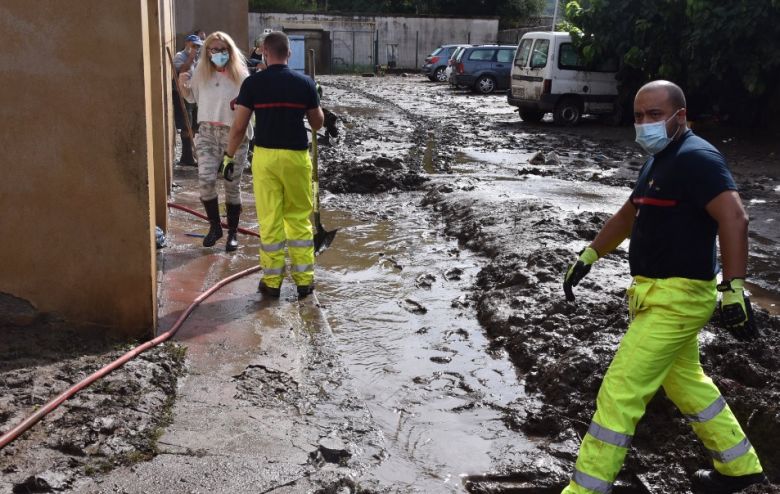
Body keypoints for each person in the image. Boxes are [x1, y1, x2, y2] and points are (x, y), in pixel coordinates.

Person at [560, 80, 767, 494]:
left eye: (654, 115)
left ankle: (585, 489)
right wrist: (589, 256)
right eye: (638, 116)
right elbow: (628, 215)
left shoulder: (698, 158)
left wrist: (734, 288)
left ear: (680, 116)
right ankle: (739, 466)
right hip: (653, 294)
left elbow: (735, 218)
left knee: (620, 391)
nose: (644, 123)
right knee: (686, 381)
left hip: (678, 299)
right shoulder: (658, 159)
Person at [223, 31, 324, 298]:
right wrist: (317, 100)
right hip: (296, 158)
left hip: (265, 158)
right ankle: (304, 281)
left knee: (270, 220)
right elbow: (317, 124)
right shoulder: (305, 84)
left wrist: (228, 157)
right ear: (289, 54)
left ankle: (272, 282)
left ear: (264, 52)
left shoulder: (253, 85)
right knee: (299, 218)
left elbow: (239, 126)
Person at [178, 31, 251, 252]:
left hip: (235, 135)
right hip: (208, 132)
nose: (218, 53)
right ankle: (215, 227)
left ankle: (233, 233)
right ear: (207, 52)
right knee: (205, 181)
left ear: (230, 51)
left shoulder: (242, 76)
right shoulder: (202, 73)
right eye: (214, 50)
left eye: (222, 49)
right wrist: (183, 84)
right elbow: (191, 97)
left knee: (232, 185)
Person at [172, 34, 203, 166]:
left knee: (195, 125)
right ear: (187, 43)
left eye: (198, 46)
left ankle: (190, 155)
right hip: (182, 94)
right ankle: (186, 156)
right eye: (194, 45)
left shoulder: (198, 58)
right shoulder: (180, 56)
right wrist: (190, 58)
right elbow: (180, 71)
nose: (196, 48)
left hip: (195, 93)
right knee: (186, 125)